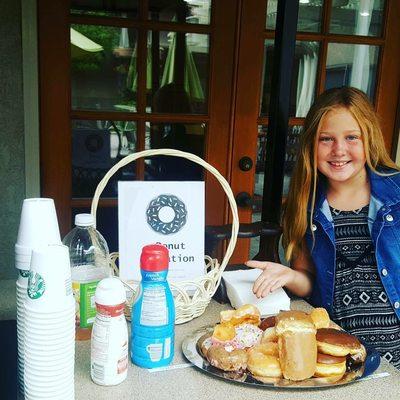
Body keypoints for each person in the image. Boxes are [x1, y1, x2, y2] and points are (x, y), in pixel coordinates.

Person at [246, 86, 400, 368]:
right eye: (326, 139)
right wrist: (290, 275)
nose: (339, 150)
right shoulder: (306, 204)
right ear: (311, 145)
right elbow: (310, 282)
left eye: (352, 137)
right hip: (336, 353)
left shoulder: (397, 194)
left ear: (370, 140)